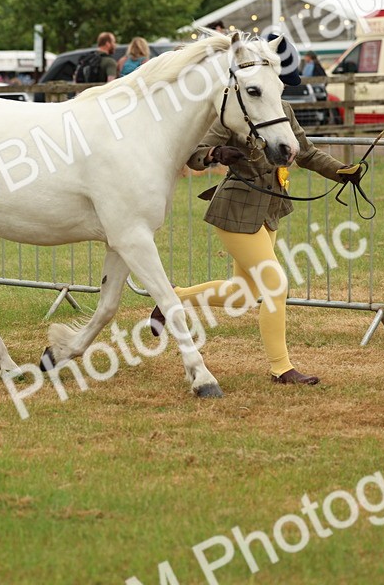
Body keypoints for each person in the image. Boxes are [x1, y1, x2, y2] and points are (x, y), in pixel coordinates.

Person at [151, 41, 364, 386]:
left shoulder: (280, 112)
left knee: (244, 293)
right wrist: (217, 153)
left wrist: (343, 172)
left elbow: (306, 153)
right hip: (236, 209)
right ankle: (281, 367)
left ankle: (174, 297)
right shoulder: (237, 111)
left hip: (268, 209)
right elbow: (195, 152)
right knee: (275, 284)